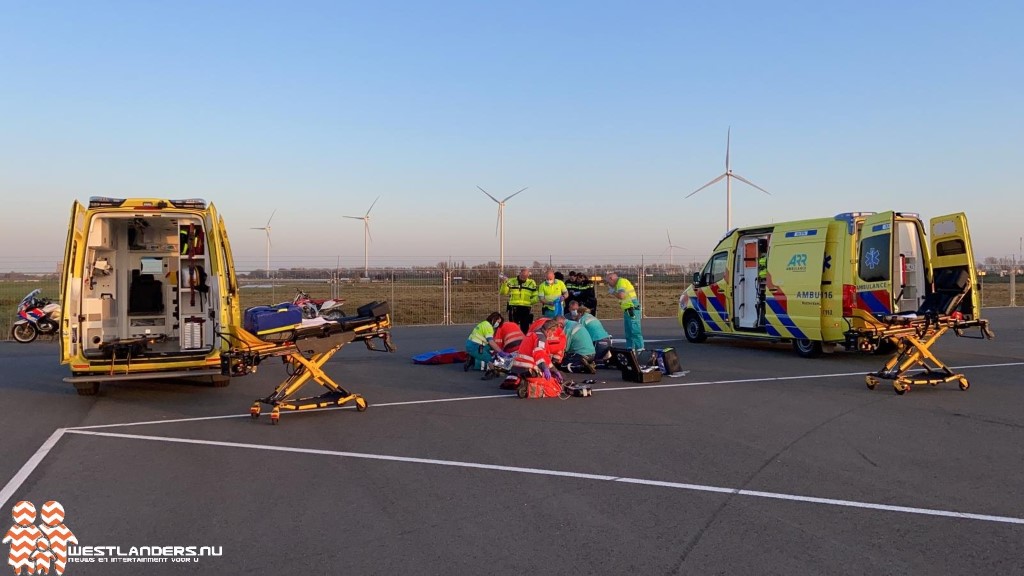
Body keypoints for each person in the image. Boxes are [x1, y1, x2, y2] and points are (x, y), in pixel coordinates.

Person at [510, 319, 563, 398]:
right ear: (548, 330)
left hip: (518, 367)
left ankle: (525, 382)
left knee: (548, 378)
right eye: (553, 332)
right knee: (551, 385)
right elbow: (539, 353)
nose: (553, 334)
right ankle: (528, 389)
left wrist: (554, 370)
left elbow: (545, 357)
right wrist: (545, 368)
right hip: (528, 368)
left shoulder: (533, 333)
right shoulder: (541, 338)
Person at [605, 271, 643, 351]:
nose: (609, 285)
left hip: (632, 308)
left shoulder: (621, 282)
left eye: (608, 282)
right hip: (627, 310)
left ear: (611, 278)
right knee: (628, 332)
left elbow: (622, 296)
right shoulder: (619, 283)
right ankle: (630, 349)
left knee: (634, 331)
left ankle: (640, 348)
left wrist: (613, 292)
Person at [499, 268, 538, 333]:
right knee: (513, 326)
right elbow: (503, 292)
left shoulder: (531, 282)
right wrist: (504, 283)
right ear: (519, 274)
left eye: (525, 277)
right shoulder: (511, 281)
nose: (523, 278)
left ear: (528, 276)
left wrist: (531, 301)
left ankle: (524, 341)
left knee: (525, 327)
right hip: (513, 307)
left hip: (526, 307)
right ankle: (514, 340)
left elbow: (535, 295)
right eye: (522, 276)